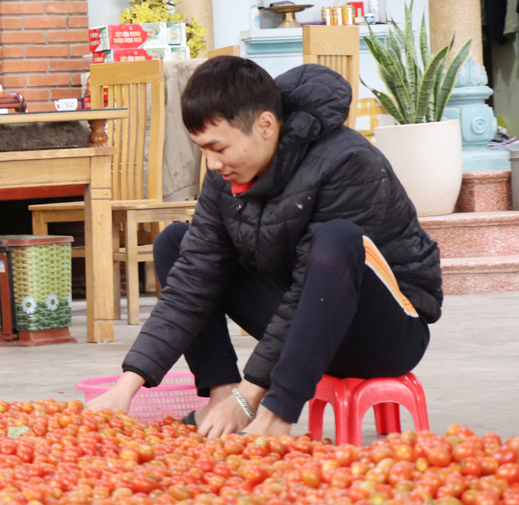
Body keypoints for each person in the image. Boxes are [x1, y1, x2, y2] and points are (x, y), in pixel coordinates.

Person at [86, 57, 442, 438]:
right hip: (306, 324)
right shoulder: (224, 177)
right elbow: (192, 283)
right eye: (202, 149)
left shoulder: (348, 161)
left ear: (266, 125)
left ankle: (277, 417)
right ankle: (218, 394)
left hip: (384, 331)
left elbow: (312, 285)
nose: (211, 163)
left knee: (337, 239)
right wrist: (126, 389)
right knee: (176, 243)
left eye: (218, 147)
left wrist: (252, 397)